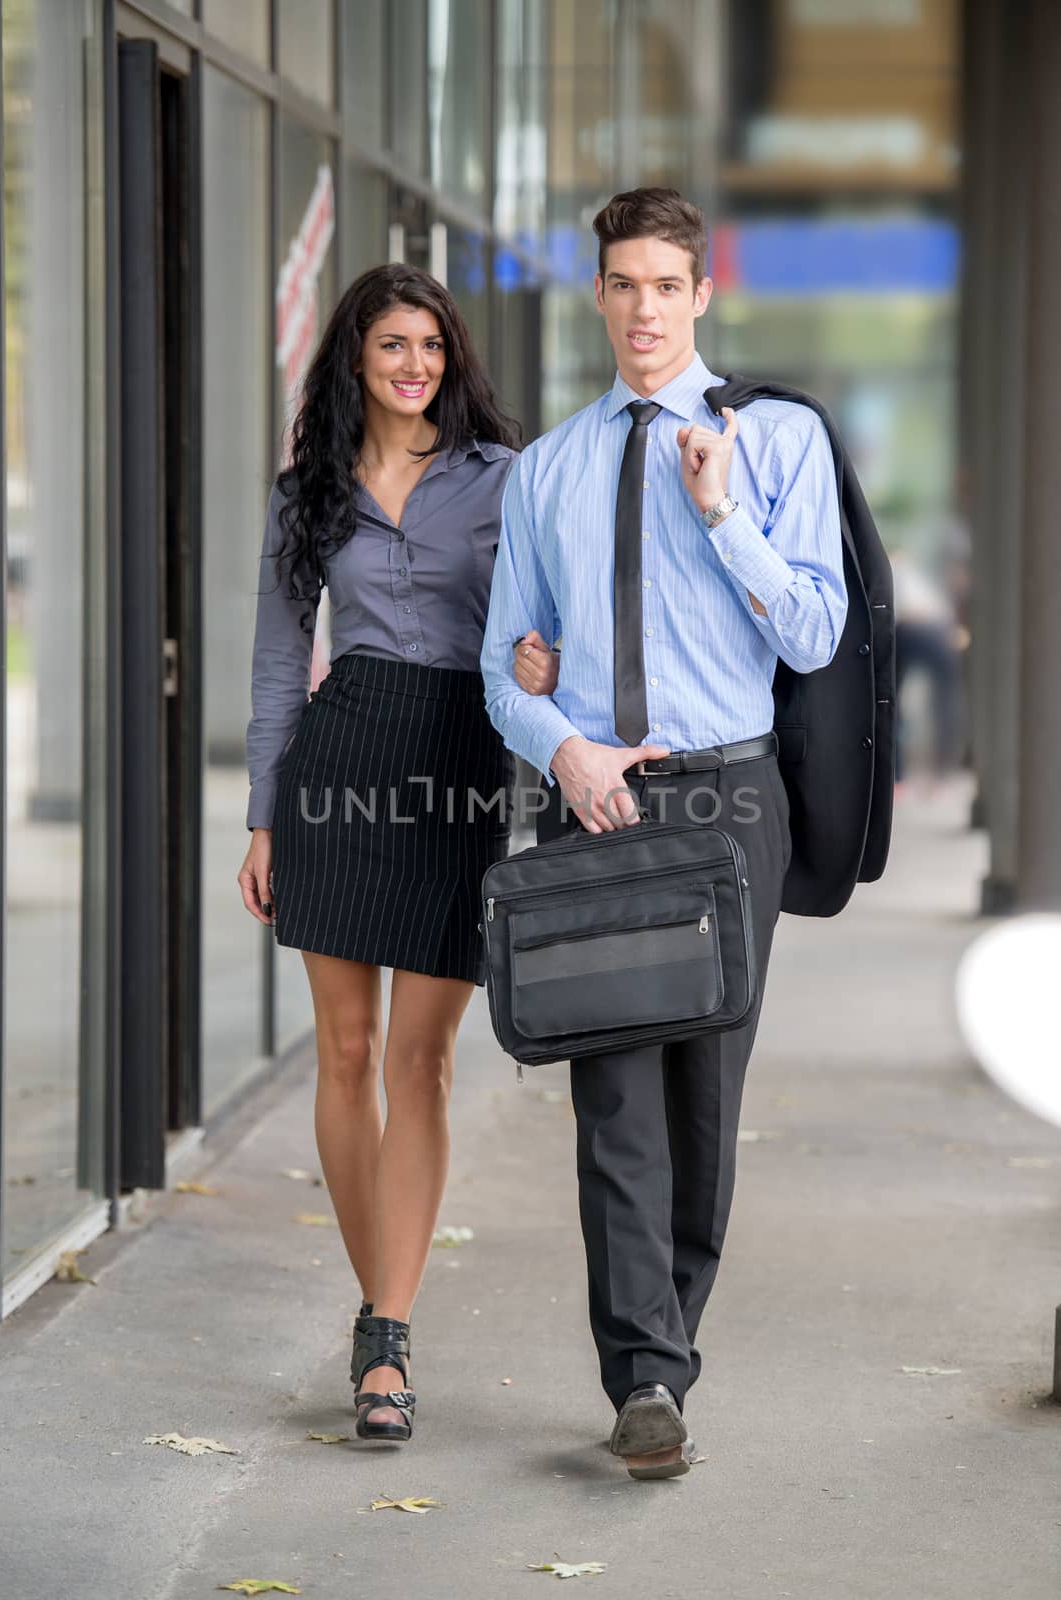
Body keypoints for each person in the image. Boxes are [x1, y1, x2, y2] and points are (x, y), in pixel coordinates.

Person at [481, 188, 847, 1479]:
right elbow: (502, 668)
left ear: (703, 296)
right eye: (621, 284)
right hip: (601, 798)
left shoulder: (780, 443)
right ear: (598, 296)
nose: (643, 309)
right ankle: (642, 1376)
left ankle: (667, 1349)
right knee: (614, 1098)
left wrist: (722, 512)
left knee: (703, 1106)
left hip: (730, 798)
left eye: (664, 286)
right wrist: (560, 747)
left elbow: (811, 632)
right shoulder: (547, 470)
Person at [237, 264, 556, 1444]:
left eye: (429, 345)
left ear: (449, 355)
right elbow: (279, 666)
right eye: (392, 349)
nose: (415, 367)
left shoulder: (502, 479)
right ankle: (387, 1335)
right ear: (355, 365)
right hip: (340, 765)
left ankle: (385, 1324)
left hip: (458, 763)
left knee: (418, 1064)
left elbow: (547, 624)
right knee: (346, 1049)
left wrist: (542, 665)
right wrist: (264, 816)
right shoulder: (306, 493)